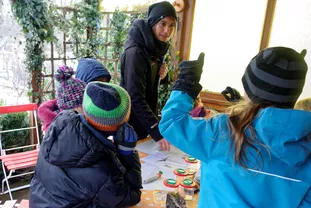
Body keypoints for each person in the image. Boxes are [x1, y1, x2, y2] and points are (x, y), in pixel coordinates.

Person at [159, 47, 311, 207]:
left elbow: (171, 122)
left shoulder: (223, 130)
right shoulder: (305, 147)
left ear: (248, 91)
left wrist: (185, 85)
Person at [30, 81, 142, 207]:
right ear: (121, 124)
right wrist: (127, 154)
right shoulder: (101, 170)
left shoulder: (60, 124)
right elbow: (133, 195)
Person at [120, 1, 177, 151]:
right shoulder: (137, 52)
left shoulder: (154, 47)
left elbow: (149, 82)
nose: (167, 30)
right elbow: (135, 97)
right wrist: (156, 130)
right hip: (132, 123)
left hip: (145, 121)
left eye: (171, 25)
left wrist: (163, 76)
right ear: (152, 22)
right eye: (163, 23)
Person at [38, 58, 111, 133]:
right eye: (97, 84)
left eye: (105, 84)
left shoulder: (101, 103)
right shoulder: (66, 123)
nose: (102, 89)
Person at [38, 65, 86, 132]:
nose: (88, 107)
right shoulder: (65, 130)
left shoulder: (64, 121)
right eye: (85, 103)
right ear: (75, 108)